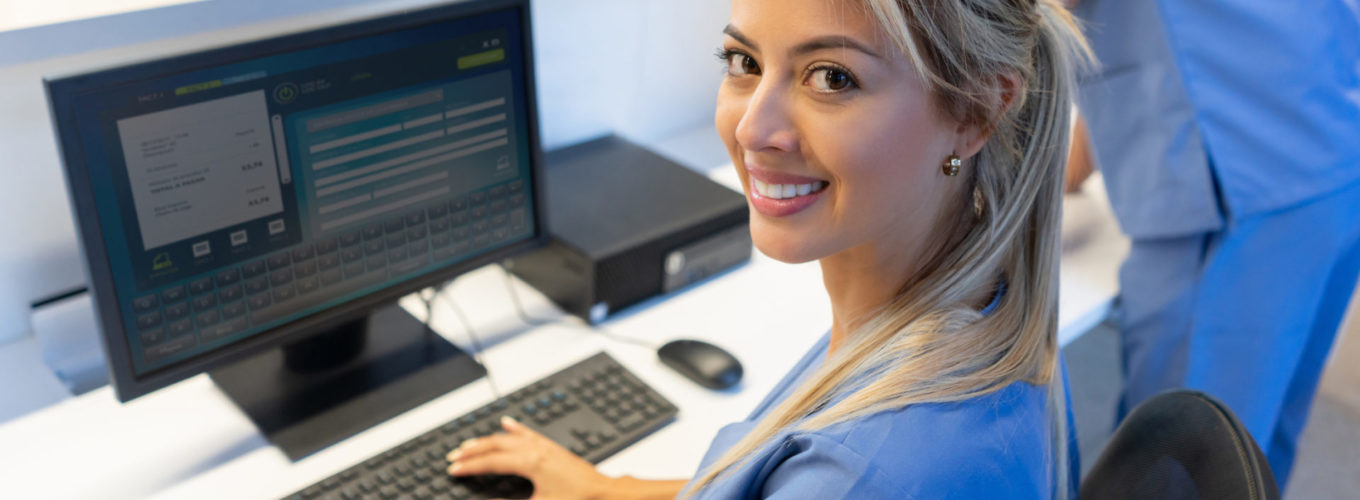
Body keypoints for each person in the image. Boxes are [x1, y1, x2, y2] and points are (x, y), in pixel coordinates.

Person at [443, 0, 1090, 497]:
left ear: (977, 111)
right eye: (743, 63)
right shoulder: (982, 303)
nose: (752, 126)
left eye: (831, 77)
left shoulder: (867, 470)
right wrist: (608, 490)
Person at [1062, 0, 1360, 487]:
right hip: (1324, 124)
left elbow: (1017, 26)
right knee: (1252, 449)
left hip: (1239, 178)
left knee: (1185, 463)